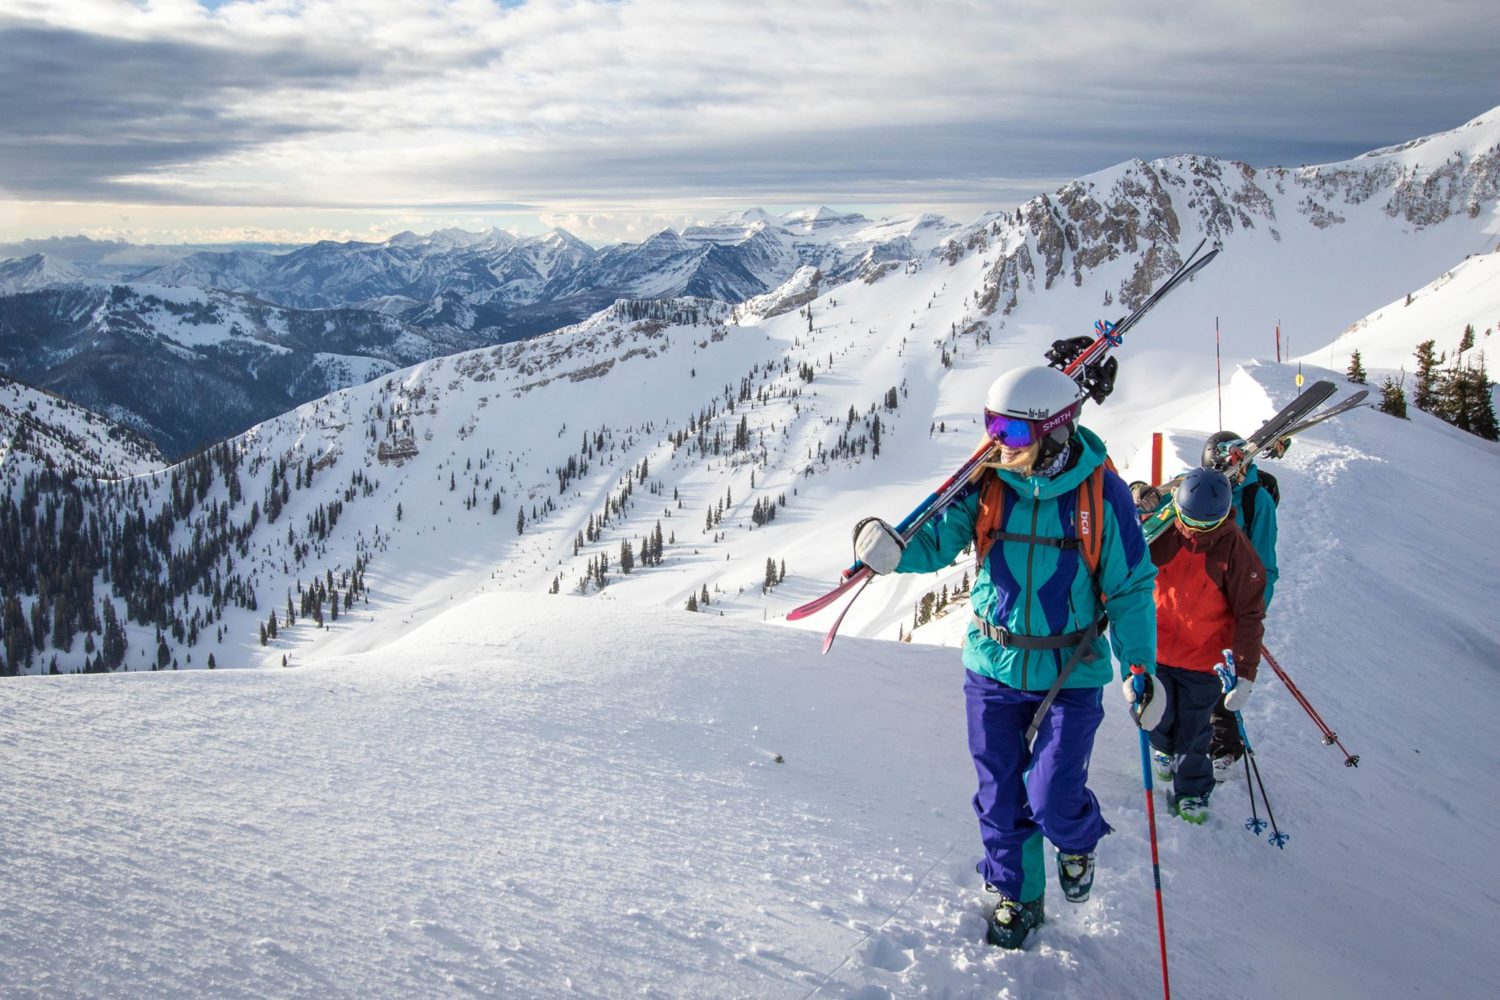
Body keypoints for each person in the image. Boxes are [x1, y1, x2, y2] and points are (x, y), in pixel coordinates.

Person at [851, 365, 1162, 950]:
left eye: (1013, 433)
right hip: (993, 666)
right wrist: (889, 547)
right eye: (993, 426)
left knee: (1053, 797)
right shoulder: (989, 484)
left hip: (1069, 672)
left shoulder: (1102, 495)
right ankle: (1018, 895)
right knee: (1000, 794)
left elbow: (1130, 588)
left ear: (1057, 431)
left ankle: (1075, 840)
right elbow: (938, 537)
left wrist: (1141, 667)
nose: (999, 442)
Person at [1145, 467, 1266, 823]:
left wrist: (1244, 672)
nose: (1195, 530)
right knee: (1159, 718)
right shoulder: (1162, 532)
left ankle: (1193, 790)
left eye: (1205, 525)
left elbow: (1249, 616)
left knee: (1195, 730)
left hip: (1204, 660)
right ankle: (1162, 749)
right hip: (1155, 652)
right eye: (1189, 521)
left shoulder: (1237, 552)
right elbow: (1126, 573)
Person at [1200, 431, 1280, 782]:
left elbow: (1266, 563)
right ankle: (1191, 738)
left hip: (1236, 601)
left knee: (1224, 676)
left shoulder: (1256, 501)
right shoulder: (1198, 492)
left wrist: (1251, 609)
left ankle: (1225, 745)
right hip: (1200, 600)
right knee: (1192, 673)